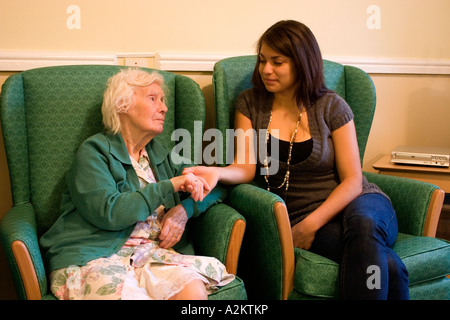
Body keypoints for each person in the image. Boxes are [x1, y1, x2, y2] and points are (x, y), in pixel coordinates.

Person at [183, 20, 409, 299]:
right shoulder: (250, 103)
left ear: (302, 63)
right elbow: (244, 167)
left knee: (363, 226)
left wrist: (308, 227)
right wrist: (216, 173)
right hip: (302, 214)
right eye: (263, 60)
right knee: (387, 265)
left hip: (359, 203)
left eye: (277, 62)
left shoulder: (331, 106)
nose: (266, 69)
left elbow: (353, 181)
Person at [40, 68, 234, 300]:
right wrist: (171, 185)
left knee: (193, 292)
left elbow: (216, 186)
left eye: (162, 100)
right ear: (122, 105)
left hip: (149, 256)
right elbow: (111, 213)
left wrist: (183, 211)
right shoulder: (94, 153)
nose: (164, 108)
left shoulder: (159, 155)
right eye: (153, 99)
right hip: (94, 256)